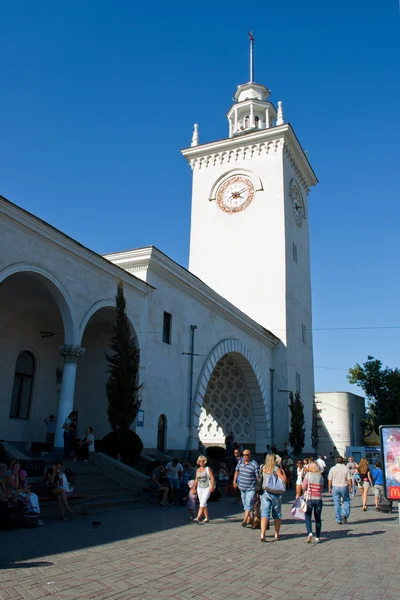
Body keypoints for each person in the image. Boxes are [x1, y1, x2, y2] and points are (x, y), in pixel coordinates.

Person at [259, 454, 287, 542]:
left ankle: (263, 533)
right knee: (277, 514)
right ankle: (276, 533)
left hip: (265, 492)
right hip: (276, 494)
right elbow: (284, 480)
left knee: (264, 513)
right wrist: (283, 472)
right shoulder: (276, 469)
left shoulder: (263, 468)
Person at [233, 449, 259, 527]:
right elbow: (237, 471)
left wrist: (258, 488)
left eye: (247, 455)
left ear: (250, 455)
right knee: (245, 503)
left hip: (251, 487)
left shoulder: (254, 464)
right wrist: (234, 481)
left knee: (248, 502)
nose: (245, 456)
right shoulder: (240, 462)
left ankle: (245, 519)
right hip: (242, 487)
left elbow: (258, 477)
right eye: (243, 455)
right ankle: (249, 519)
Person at [302, 461, 324, 543]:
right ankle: (317, 536)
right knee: (318, 518)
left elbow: (304, 486)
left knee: (308, 516)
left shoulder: (308, 475)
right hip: (318, 498)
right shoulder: (320, 476)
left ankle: (310, 532)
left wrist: (304, 491)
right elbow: (321, 489)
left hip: (309, 498)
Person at [328, 456, 353, 524]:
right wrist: (351, 487)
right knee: (346, 501)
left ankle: (338, 519)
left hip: (335, 486)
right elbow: (349, 479)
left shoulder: (332, 469)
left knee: (336, 503)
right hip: (344, 486)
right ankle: (345, 514)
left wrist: (329, 487)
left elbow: (330, 479)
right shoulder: (346, 468)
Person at [192, 455, 215, 523]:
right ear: (198, 462)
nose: (201, 462)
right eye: (200, 461)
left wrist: (212, 486)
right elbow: (196, 479)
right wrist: (194, 488)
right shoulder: (197, 470)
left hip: (207, 488)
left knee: (202, 503)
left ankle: (198, 518)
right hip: (200, 488)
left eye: (203, 461)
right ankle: (207, 518)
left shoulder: (207, 468)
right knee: (203, 503)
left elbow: (212, 477)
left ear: (205, 462)